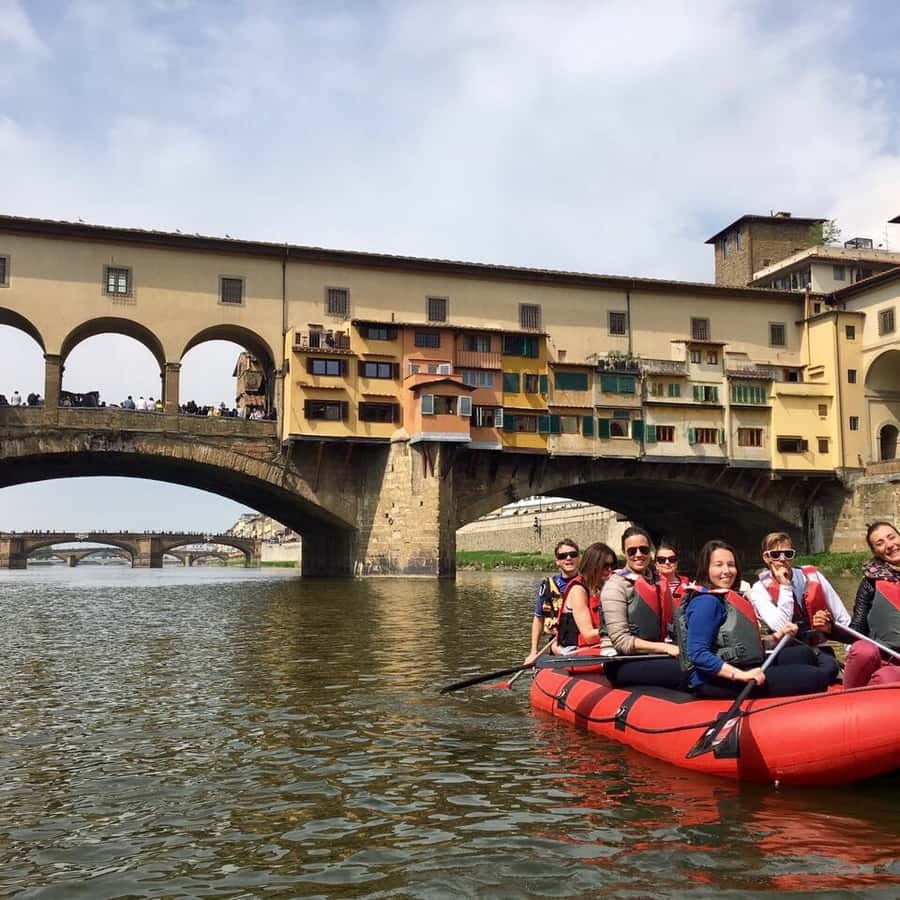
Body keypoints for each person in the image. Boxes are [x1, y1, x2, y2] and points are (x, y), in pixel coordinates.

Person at [680, 540, 832, 699]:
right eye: (719, 565)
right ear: (706, 569)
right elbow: (697, 654)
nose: (727, 571)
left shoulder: (723, 599)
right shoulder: (706, 602)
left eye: (731, 565)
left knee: (803, 654)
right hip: (713, 680)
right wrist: (741, 675)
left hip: (739, 665)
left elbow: (741, 645)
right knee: (817, 677)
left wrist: (777, 636)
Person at [749, 531, 845, 684]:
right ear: (766, 558)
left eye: (788, 553)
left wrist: (850, 649)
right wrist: (785, 587)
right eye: (775, 554)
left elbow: (842, 617)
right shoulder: (758, 590)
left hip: (819, 647)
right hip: (787, 652)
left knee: (831, 668)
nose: (782, 559)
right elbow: (780, 625)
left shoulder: (813, 577)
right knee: (813, 673)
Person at [600, 526, 683, 689]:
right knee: (686, 671)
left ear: (650, 552)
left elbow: (679, 620)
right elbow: (621, 642)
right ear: (625, 553)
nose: (638, 554)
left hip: (657, 655)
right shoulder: (615, 587)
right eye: (632, 551)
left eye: (643, 549)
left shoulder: (659, 582)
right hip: (622, 661)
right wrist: (666, 648)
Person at [844, 521, 900, 688]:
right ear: (875, 551)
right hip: (888, 661)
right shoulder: (870, 583)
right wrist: (829, 629)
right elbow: (857, 630)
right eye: (880, 543)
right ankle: (850, 704)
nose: (889, 545)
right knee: (881, 671)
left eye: (892, 537)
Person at [524, 538, 580, 664]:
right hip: (557, 640)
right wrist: (533, 652)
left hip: (581, 641)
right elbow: (538, 619)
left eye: (573, 554)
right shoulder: (547, 586)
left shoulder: (589, 583)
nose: (568, 558)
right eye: (563, 556)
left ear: (579, 559)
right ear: (557, 562)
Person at [555, 542, 617, 652]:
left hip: (599, 645)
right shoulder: (578, 590)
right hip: (575, 651)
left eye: (612, 565)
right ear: (592, 565)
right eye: (605, 566)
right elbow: (588, 636)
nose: (610, 570)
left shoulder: (603, 587)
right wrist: (620, 630)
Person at [655, 539, 691, 604]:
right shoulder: (650, 584)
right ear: (656, 564)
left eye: (672, 559)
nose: (667, 562)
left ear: (677, 563)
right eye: (662, 560)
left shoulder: (689, 585)